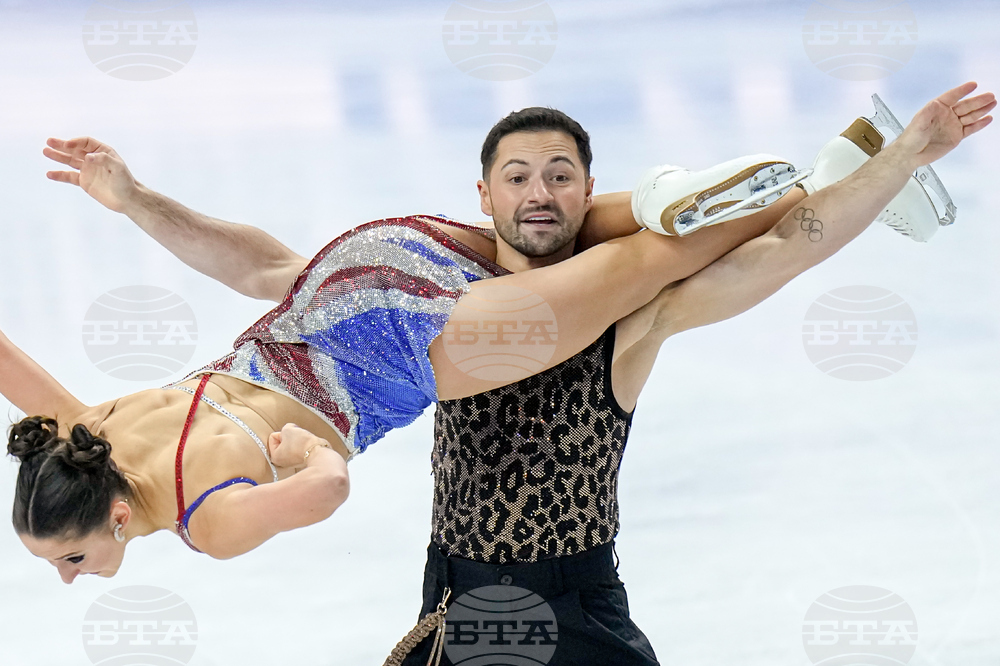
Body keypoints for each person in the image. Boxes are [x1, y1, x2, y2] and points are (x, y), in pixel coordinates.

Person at [42, 82, 992, 665]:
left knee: (668, 255)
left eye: (562, 176)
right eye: (520, 178)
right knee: (660, 245)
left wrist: (905, 153)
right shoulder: (129, 446)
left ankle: (751, 187)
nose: (540, 191)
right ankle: (723, 188)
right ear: (481, 195)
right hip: (457, 591)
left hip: (559, 597)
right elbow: (265, 274)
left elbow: (783, 256)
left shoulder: (622, 325)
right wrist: (134, 201)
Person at [4, 116, 806, 581]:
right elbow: (260, 270)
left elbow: (325, 494)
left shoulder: (205, 522)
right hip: (357, 270)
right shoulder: (86, 429)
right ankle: (665, 195)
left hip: (420, 348)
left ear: (115, 519)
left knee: (655, 268)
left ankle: (807, 187)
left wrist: (311, 457)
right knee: (551, 225)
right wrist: (132, 198)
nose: (72, 578)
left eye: (69, 559)